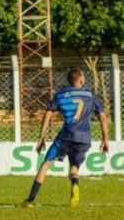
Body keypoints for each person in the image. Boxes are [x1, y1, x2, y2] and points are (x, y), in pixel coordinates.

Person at [21, 68, 110, 209]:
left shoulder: (61, 95)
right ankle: (75, 183)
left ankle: (30, 200)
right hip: (83, 138)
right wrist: (105, 139)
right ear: (81, 79)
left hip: (65, 136)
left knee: (46, 164)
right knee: (74, 168)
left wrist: (41, 137)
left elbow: (48, 114)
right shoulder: (91, 96)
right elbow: (103, 118)